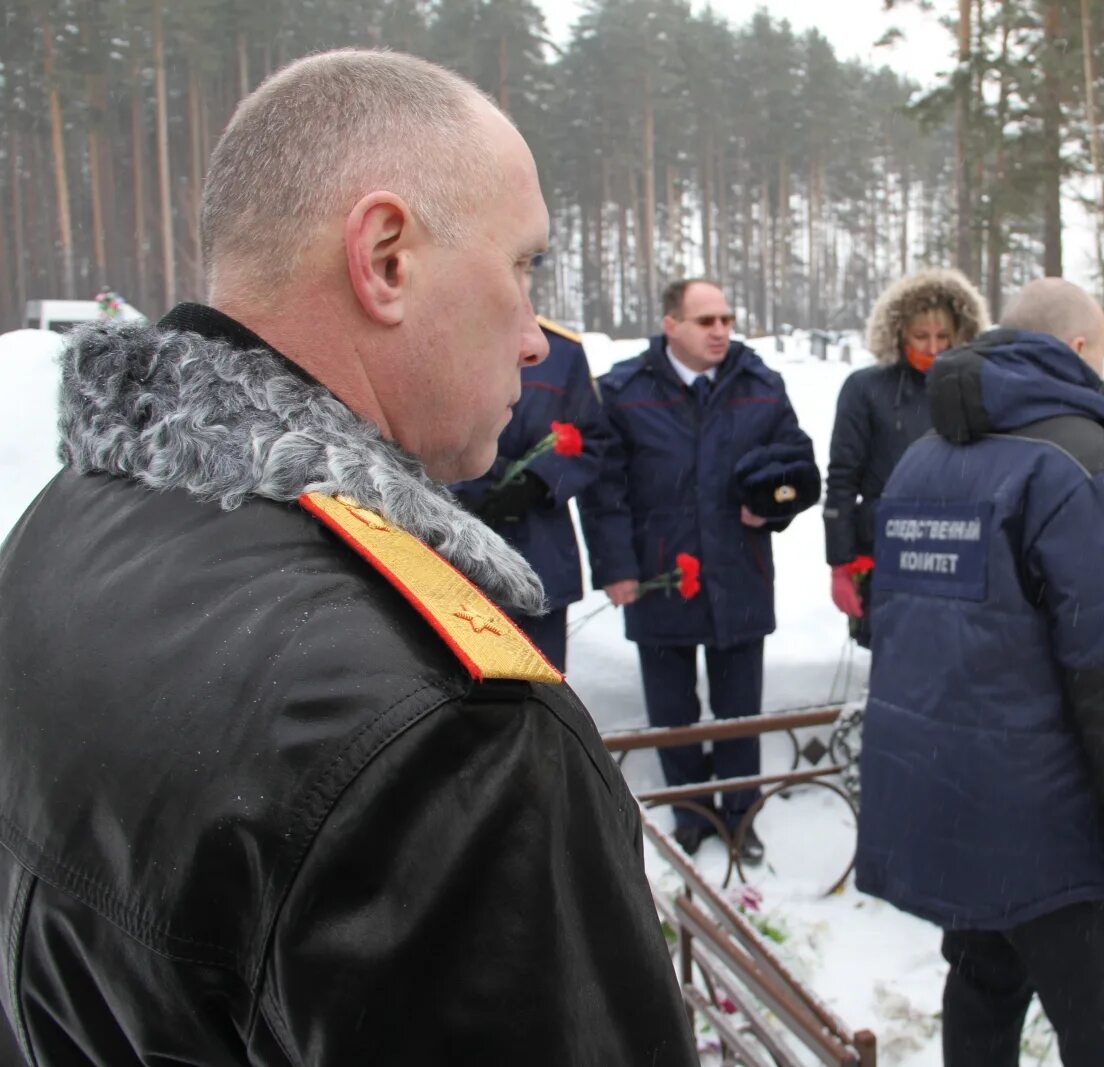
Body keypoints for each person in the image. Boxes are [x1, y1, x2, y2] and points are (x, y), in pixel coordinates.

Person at [0, 51, 695, 1066]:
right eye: (524, 266)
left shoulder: (65, 522)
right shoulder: (449, 736)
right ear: (386, 258)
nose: (538, 338)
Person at [856, 278, 1104, 1067]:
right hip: (1055, 819)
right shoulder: (1085, 466)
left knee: (982, 989)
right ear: (1081, 350)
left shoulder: (922, 461)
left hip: (954, 792)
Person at [580, 278, 819, 863]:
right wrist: (616, 567)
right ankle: (690, 813)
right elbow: (604, 490)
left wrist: (770, 506)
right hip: (660, 576)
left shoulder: (760, 386)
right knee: (672, 711)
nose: (720, 332)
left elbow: (799, 463)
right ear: (671, 325)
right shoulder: (623, 392)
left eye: (727, 320)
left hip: (739, 574)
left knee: (740, 709)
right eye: (706, 321)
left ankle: (741, 814)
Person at [824, 268, 988, 647]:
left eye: (943, 337)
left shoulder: (974, 389)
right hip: (885, 548)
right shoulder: (866, 389)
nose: (932, 349)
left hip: (959, 548)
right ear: (899, 333)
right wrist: (840, 564)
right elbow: (842, 479)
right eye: (921, 337)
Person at [451, 316, 612, 671]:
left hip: (541, 553)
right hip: (452, 552)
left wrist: (540, 480)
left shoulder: (560, 351)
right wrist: (457, 493)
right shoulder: (433, 332)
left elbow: (591, 438)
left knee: (541, 692)